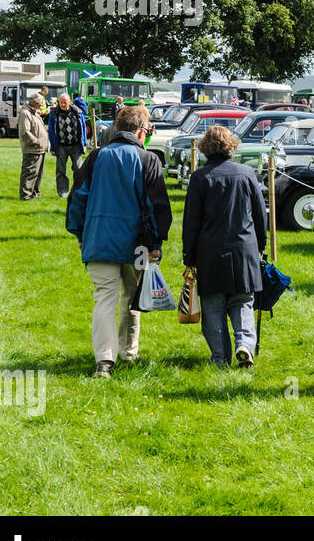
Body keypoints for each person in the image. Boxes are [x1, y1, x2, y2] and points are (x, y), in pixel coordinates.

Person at [66, 106, 172, 378]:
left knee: (105, 300)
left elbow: (77, 198)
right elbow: (157, 206)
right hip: (137, 243)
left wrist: (79, 234)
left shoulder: (96, 157)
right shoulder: (148, 159)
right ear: (140, 130)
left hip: (99, 240)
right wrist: (156, 243)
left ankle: (105, 360)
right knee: (131, 299)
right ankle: (128, 353)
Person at [182, 125, 267, 368]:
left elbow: (191, 221)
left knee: (213, 307)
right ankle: (244, 344)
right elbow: (261, 215)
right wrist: (261, 245)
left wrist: (189, 256)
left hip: (210, 252)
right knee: (243, 302)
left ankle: (220, 357)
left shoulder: (199, 178)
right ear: (231, 146)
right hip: (244, 250)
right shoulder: (247, 173)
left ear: (205, 149)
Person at [48, 93, 88, 198]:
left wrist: (84, 144)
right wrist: (52, 147)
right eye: (60, 102)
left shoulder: (78, 113)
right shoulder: (53, 114)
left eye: (64, 102)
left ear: (70, 102)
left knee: (79, 169)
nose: (62, 104)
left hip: (76, 145)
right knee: (61, 170)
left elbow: (83, 128)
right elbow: (51, 132)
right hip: (61, 146)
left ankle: (78, 191)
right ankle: (63, 192)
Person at [17, 92, 50, 199]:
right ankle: (26, 195)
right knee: (30, 172)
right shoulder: (25, 113)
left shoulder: (35, 112)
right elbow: (25, 131)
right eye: (41, 102)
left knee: (38, 173)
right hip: (32, 148)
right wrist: (36, 141)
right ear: (35, 103)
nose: (42, 105)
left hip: (40, 149)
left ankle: (35, 193)